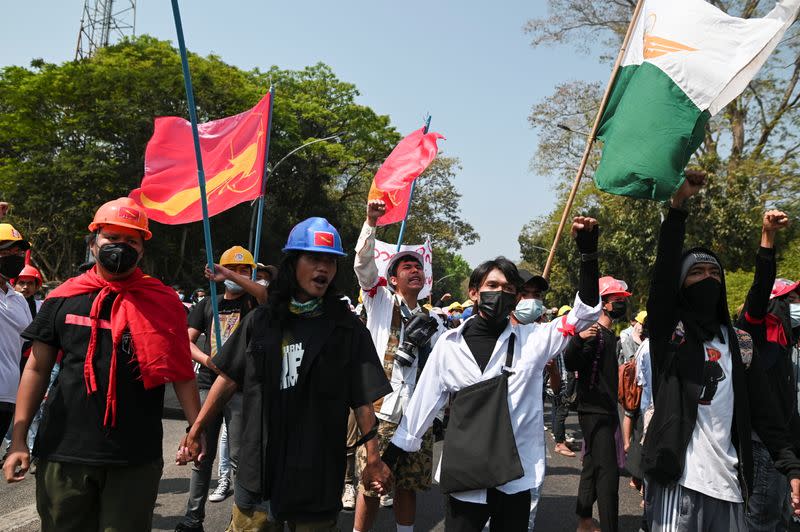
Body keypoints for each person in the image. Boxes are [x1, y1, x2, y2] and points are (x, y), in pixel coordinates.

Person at [384, 216, 603, 532]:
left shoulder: (535, 341)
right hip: (465, 480)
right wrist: (385, 463)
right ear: (474, 292)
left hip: (516, 479)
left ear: (516, 298)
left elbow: (586, 312)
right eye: (492, 286)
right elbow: (420, 411)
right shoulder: (449, 345)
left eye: (508, 288)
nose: (499, 292)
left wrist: (588, 255)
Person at [178, 216, 393, 531]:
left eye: (331, 261)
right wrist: (196, 429)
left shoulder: (348, 330)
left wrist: (372, 457)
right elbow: (227, 379)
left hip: (316, 472)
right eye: (314, 258)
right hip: (259, 472)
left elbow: (362, 400)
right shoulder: (260, 321)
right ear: (293, 263)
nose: (323, 268)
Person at [3, 198, 201, 532]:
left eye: (131, 241)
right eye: (112, 238)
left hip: (135, 456)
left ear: (142, 249)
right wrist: (20, 440)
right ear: (94, 241)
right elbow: (36, 369)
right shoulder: (63, 297)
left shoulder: (163, 302)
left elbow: (181, 370)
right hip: (64, 451)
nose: (120, 247)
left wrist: (196, 429)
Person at [642, 172, 800, 531]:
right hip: (679, 481)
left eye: (715, 272)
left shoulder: (740, 344)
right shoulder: (672, 337)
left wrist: (790, 466)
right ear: (682, 286)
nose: (708, 277)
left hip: (730, 486)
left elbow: (766, 413)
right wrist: (677, 207)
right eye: (696, 272)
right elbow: (662, 278)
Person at [352, 199, 445, 532]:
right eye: (406, 266)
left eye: (418, 266)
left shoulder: (435, 320)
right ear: (392, 279)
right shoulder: (379, 301)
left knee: (408, 484)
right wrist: (371, 223)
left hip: (418, 418)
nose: (415, 269)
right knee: (372, 485)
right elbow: (363, 264)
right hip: (382, 412)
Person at [176, 245, 267, 532]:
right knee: (201, 453)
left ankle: (239, 520)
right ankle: (193, 518)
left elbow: (266, 294)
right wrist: (209, 361)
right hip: (208, 385)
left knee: (241, 457)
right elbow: (184, 342)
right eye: (233, 268)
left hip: (242, 389)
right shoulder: (207, 304)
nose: (238, 275)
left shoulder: (254, 303)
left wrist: (230, 274)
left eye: (245, 270)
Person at [736, 210, 800, 531]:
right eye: (791, 299)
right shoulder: (754, 330)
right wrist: (768, 239)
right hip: (761, 446)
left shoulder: (788, 337)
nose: (797, 303)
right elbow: (760, 288)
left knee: (781, 520)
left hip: (784, 445)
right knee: (761, 522)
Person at [564, 275, 632, 532]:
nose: (621, 304)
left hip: (605, 409)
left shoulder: (609, 335)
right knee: (608, 474)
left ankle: (584, 521)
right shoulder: (593, 333)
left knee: (592, 467)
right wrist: (579, 339)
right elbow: (571, 362)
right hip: (593, 411)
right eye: (617, 300)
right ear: (604, 303)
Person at [0, 224, 33, 450]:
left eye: (18, 252)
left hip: (9, 396)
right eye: (7, 251)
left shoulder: (19, 300)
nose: (14, 257)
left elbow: (24, 345)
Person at [548, 305, 577, 459]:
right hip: (562, 380)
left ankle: (561, 438)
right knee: (561, 410)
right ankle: (559, 443)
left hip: (565, 378)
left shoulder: (565, 336)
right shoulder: (559, 337)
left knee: (560, 410)